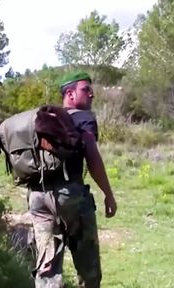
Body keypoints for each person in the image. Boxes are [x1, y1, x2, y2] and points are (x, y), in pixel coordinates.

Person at [28, 71, 117, 288]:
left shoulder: (40, 118)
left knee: (48, 268)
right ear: (69, 93)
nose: (92, 94)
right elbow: (93, 158)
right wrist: (108, 194)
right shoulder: (83, 118)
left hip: (37, 197)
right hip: (70, 196)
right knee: (89, 267)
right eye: (86, 89)